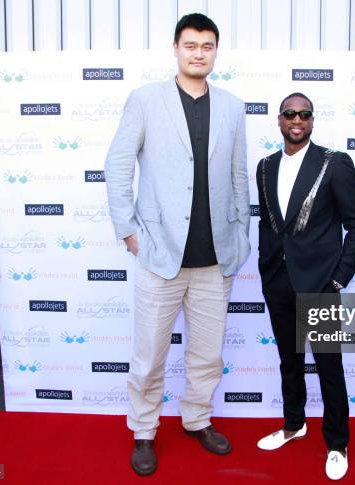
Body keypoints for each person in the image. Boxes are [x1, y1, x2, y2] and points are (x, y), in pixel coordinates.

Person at [105, 13, 250, 477]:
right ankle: (144, 431)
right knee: (150, 355)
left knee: (207, 354)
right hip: (159, 255)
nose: (199, 52)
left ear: (215, 51)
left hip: (216, 259)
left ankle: (197, 419)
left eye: (207, 45)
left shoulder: (232, 106)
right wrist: (129, 232)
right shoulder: (146, 101)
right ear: (176, 48)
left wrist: (242, 235)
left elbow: (238, 175)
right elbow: (117, 166)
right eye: (191, 45)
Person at [255, 93, 355, 480]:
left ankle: (337, 443)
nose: (297, 120)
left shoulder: (334, 164)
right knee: (289, 361)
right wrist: (266, 265)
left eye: (304, 114)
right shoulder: (266, 166)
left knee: (328, 366)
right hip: (278, 280)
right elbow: (268, 222)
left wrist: (339, 277)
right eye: (290, 114)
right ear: (280, 120)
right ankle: (294, 424)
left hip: (320, 283)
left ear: (313, 120)